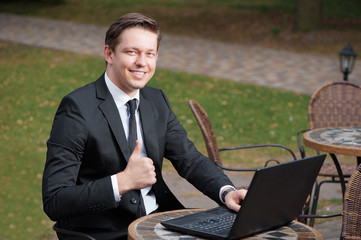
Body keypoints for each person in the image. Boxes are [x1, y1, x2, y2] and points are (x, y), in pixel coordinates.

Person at [42, 12, 247, 240]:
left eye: (150, 54)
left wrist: (227, 192)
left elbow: (189, 158)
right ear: (109, 53)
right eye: (132, 52)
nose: (142, 62)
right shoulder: (77, 108)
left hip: (161, 223)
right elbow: (55, 200)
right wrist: (122, 182)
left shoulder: (156, 100)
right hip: (106, 233)